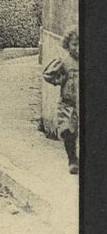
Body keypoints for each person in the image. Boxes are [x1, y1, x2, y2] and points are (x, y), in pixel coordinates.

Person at [42, 27, 80, 174]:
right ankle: (72, 160)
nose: (77, 48)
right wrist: (60, 79)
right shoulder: (64, 62)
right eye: (74, 44)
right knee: (67, 131)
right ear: (67, 45)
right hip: (67, 103)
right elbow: (48, 75)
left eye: (80, 45)